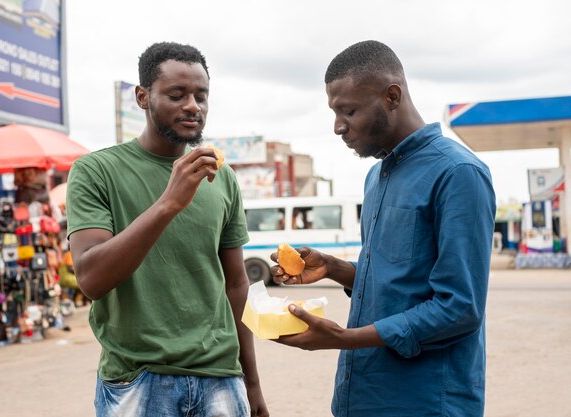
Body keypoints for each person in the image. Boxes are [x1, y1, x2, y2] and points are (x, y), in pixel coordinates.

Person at [270, 40, 496, 417]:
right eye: (334, 112)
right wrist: (334, 268)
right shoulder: (376, 177)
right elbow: (401, 284)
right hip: (360, 397)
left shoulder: (458, 174)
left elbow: (459, 308)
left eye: (349, 111)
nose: (338, 126)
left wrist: (344, 339)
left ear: (392, 96)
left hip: (422, 403)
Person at [67, 42, 268, 417]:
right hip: (138, 379)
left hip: (221, 378)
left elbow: (236, 283)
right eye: (177, 95)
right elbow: (91, 279)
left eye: (201, 96)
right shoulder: (95, 171)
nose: (193, 105)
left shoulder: (221, 176)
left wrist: (252, 383)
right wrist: (168, 203)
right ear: (143, 97)